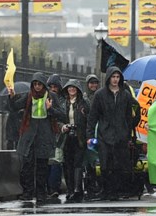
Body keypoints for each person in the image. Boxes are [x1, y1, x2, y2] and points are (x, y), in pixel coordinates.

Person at [8, 73, 63, 203]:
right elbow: (15, 107)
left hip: (44, 136)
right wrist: (11, 97)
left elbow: (62, 115)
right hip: (29, 136)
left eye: (39, 84)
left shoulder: (51, 96)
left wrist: (50, 110)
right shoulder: (28, 96)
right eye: (35, 84)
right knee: (27, 165)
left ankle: (41, 193)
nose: (37, 87)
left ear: (43, 85)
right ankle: (27, 192)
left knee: (42, 166)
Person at [86, 67, 139, 201]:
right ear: (109, 78)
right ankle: (106, 190)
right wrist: (90, 135)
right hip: (105, 135)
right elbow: (93, 117)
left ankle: (116, 191)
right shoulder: (100, 95)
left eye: (117, 77)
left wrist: (128, 132)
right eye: (113, 77)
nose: (115, 79)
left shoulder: (125, 95)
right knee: (105, 164)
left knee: (119, 165)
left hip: (121, 136)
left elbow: (129, 115)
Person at [59, 78, 90, 204]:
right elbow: (58, 118)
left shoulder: (84, 103)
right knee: (67, 164)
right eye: (69, 88)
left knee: (78, 163)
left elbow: (89, 119)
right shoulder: (63, 103)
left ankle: (78, 190)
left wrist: (88, 135)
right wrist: (63, 126)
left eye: (74, 87)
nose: (71, 90)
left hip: (79, 137)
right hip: (67, 138)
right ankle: (70, 190)